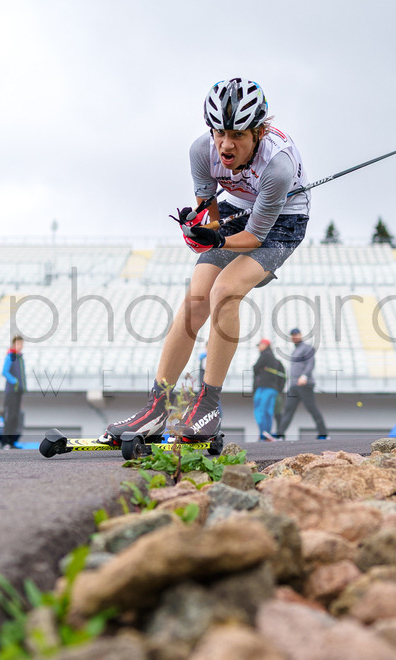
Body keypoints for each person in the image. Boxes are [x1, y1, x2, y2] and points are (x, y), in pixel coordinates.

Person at [104, 78, 309, 444]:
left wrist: (220, 237)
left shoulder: (277, 167)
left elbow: (254, 238)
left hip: (281, 222)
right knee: (196, 301)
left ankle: (208, 405)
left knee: (225, 291)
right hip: (237, 211)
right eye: (219, 133)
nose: (226, 145)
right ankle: (156, 407)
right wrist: (203, 227)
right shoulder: (202, 150)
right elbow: (210, 210)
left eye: (238, 135)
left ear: (258, 132)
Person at [276, 328, 329, 439]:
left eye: (296, 334)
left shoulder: (307, 348)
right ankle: (280, 434)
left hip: (305, 384)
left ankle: (323, 434)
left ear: (301, 335)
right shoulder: (294, 351)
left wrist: (304, 376)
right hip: (294, 386)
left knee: (312, 408)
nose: (294, 337)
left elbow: (310, 363)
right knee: (288, 409)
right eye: (292, 335)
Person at [253, 338, 286, 442]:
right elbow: (283, 377)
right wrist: (279, 389)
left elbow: (255, 368)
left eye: (260, 345)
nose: (259, 347)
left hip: (264, 388)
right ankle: (267, 433)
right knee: (268, 411)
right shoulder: (277, 361)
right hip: (273, 390)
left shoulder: (265, 356)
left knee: (260, 411)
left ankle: (263, 434)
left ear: (265, 345)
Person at [1, 336, 25, 449]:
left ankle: (11, 442)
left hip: (18, 392)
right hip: (11, 392)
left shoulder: (20, 358)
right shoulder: (11, 356)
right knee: (9, 416)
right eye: (18, 344)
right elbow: (4, 372)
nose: (20, 346)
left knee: (16, 416)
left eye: (22, 344)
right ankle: (5, 442)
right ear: (14, 344)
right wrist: (15, 381)